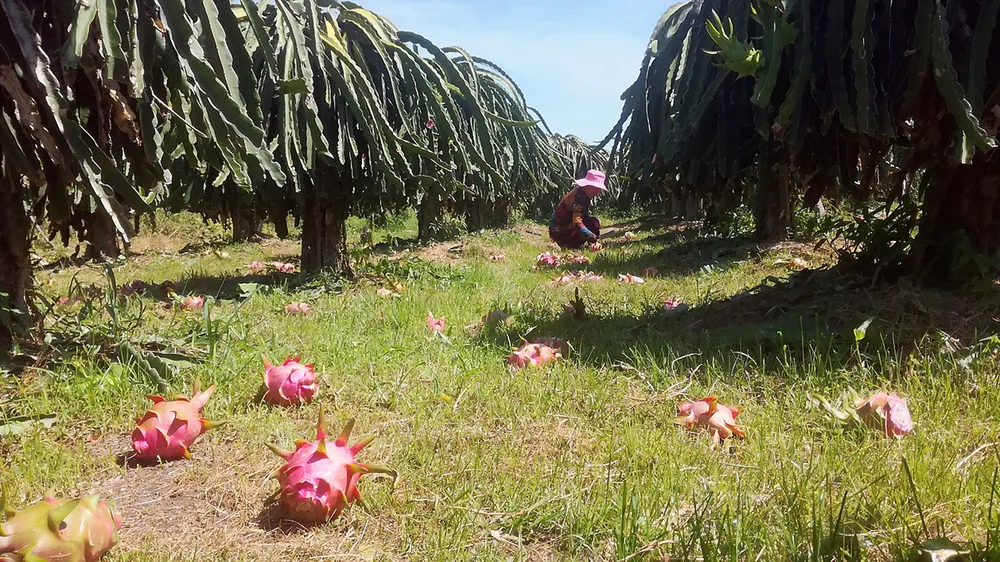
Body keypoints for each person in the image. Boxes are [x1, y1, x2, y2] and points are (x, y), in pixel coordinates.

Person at [549, 169, 608, 249]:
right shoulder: (580, 197)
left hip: (563, 227)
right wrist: (589, 235)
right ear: (588, 186)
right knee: (584, 227)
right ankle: (567, 245)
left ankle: (592, 244)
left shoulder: (583, 193)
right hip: (559, 231)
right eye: (596, 188)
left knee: (594, 222)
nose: (598, 191)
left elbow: (582, 216)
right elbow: (576, 221)